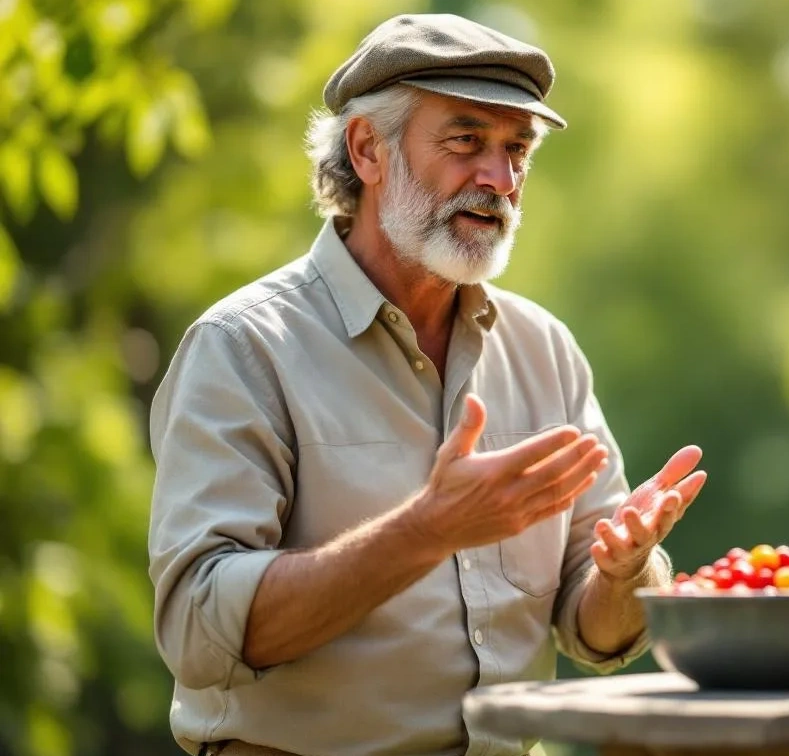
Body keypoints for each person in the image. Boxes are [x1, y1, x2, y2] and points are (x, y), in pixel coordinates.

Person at [146, 13, 707, 756]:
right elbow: (197, 632)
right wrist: (428, 529)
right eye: (466, 141)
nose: (498, 181)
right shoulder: (243, 347)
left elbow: (594, 630)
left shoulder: (545, 350)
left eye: (517, 151)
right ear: (367, 149)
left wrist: (625, 572)